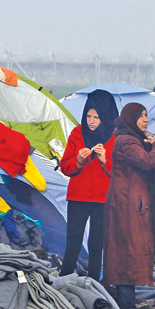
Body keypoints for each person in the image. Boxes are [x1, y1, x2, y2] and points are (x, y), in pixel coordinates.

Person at [103, 103, 155, 309]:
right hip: (128, 207)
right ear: (131, 119)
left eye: (146, 115)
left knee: (127, 254)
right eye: (141, 116)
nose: (145, 120)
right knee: (126, 254)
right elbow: (148, 162)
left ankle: (127, 307)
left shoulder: (131, 139)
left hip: (130, 204)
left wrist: (150, 144)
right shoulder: (127, 141)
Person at [59, 90, 118, 281]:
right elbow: (65, 167)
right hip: (78, 197)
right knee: (73, 243)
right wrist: (77, 162)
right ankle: (64, 280)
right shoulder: (77, 133)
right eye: (88, 116)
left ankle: (94, 284)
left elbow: (119, 172)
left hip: (102, 199)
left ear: (107, 117)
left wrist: (104, 160)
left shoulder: (115, 138)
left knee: (96, 245)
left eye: (97, 117)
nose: (91, 121)